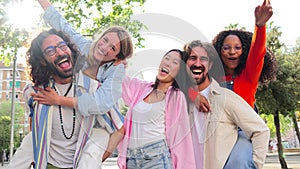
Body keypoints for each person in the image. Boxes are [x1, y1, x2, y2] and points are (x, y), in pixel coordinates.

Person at [35, 0, 134, 168]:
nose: (104, 48)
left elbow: (100, 104)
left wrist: (59, 100)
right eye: (105, 40)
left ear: (117, 57)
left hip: (101, 122)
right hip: (75, 118)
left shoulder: (116, 70)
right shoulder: (83, 46)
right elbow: (62, 25)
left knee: (89, 158)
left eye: (113, 48)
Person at [184, 40, 270, 169]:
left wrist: (254, 165)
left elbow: (261, 130)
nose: (197, 63)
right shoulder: (178, 99)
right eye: (192, 58)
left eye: (203, 59)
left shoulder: (225, 97)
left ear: (210, 64)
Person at [7, 28, 82, 169]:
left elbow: (115, 129)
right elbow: (33, 122)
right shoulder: (34, 92)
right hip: (48, 164)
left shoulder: (89, 89)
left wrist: (93, 160)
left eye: (62, 46)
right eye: (50, 51)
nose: (60, 52)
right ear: (42, 61)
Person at [117, 49, 196, 169]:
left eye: (175, 62)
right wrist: (118, 62)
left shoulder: (176, 96)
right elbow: (117, 81)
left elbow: (181, 138)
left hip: (157, 159)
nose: (168, 63)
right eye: (167, 58)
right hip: (132, 159)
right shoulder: (143, 88)